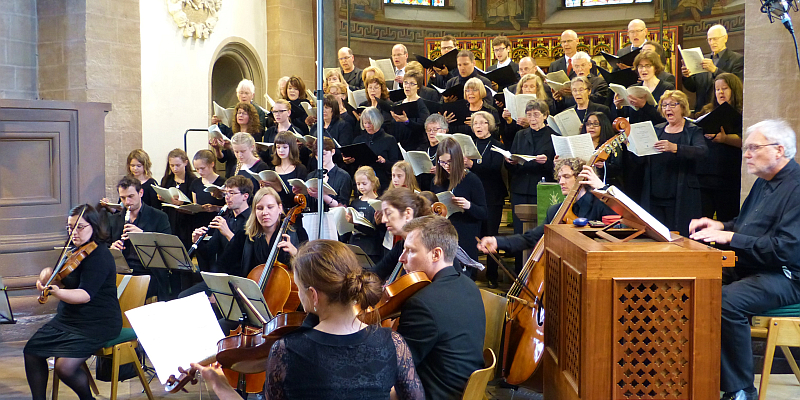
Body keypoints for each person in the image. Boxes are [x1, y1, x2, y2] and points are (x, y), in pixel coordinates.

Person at [195, 240, 424, 400]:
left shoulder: (287, 350)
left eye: (299, 287)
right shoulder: (393, 343)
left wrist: (220, 384)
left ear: (313, 295)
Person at [688, 119, 800, 400]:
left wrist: (732, 239)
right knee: (691, 280)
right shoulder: (764, 183)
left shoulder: (797, 189)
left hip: (786, 276)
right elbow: (746, 224)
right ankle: (689, 373)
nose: (746, 153)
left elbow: (786, 250)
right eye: (746, 148)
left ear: (779, 150)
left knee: (726, 302)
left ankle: (740, 389)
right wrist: (720, 227)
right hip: (753, 266)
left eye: (753, 148)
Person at [24, 204, 121, 400]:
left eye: (79, 227)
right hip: (69, 318)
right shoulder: (73, 251)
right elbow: (62, 280)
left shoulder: (99, 256)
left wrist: (57, 292)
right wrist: (46, 280)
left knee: (64, 367)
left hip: (97, 321)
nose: (73, 232)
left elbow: (85, 294)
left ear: (93, 226)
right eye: (70, 227)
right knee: (32, 351)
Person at [396, 215, 486, 400]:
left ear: (436, 254)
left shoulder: (421, 304)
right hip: (463, 389)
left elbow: (397, 367)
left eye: (410, 251)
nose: (401, 258)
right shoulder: (470, 285)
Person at [479, 158, 613, 254]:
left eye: (566, 176)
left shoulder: (601, 205)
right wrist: (498, 241)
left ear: (582, 178)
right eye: (559, 177)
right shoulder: (556, 210)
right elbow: (531, 238)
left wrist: (603, 188)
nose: (561, 182)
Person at [636, 90, 706, 236]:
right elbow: (643, 159)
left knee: (680, 238)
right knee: (654, 237)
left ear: (682, 107)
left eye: (673, 104)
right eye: (664, 105)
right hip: (654, 195)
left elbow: (702, 152)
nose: (668, 108)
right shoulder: (656, 130)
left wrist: (675, 148)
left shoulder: (693, 130)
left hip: (681, 197)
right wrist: (633, 146)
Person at [179, 176, 253, 299]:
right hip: (220, 278)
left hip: (240, 280)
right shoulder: (225, 219)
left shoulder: (252, 221)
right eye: (226, 193)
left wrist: (228, 234)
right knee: (184, 297)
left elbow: (247, 256)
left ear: (245, 196)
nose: (227, 197)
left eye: (232, 193)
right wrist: (198, 242)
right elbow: (209, 253)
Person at [213, 187, 307, 283]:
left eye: (270, 207)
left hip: (287, 294)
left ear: (279, 208)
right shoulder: (244, 235)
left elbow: (310, 270)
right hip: (251, 294)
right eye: (259, 208)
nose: (265, 213)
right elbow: (223, 266)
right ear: (254, 211)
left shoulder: (298, 233)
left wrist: (296, 253)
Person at [506, 99, 556, 273]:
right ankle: (520, 272)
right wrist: (510, 162)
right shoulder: (521, 135)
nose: (532, 118)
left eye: (536, 114)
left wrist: (547, 162)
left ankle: (537, 274)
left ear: (545, 115)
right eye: (529, 115)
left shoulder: (553, 136)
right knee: (520, 232)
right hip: (520, 187)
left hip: (541, 188)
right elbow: (512, 161)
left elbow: (557, 166)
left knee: (538, 232)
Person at [430, 137, 487, 279]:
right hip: (443, 236)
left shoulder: (471, 180)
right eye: (442, 162)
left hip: (465, 236)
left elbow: (484, 213)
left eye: (449, 162)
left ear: (457, 159)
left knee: (464, 279)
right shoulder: (438, 181)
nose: (446, 166)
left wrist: (468, 205)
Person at [108, 176, 172, 299]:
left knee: (134, 294)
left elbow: (166, 250)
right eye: (123, 198)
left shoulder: (159, 217)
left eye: (131, 196)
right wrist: (112, 248)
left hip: (149, 272)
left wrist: (143, 236)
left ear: (141, 193)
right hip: (122, 270)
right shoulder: (114, 220)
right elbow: (102, 246)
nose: (127, 202)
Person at [695, 73, 744, 222]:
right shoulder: (707, 111)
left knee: (726, 219)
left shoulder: (742, 113)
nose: (720, 92)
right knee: (702, 221)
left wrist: (725, 138)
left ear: (734, 90)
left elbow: (746, 141)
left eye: (725, 88)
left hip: (728, 177)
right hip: (704, 174)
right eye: (717, 89)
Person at [466, 111, 506, 287]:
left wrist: (472, 165)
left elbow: (493, 168)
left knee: (490, 236)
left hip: (492, 197)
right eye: (475, 124)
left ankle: (492, 275)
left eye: (482, 123)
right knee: (472, 236)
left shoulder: (496, 145)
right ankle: (471, 273)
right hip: (472, 197)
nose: (478, 127)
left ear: (489, 125)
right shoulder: (468, 145)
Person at [370, 188, 433, 281]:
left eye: (388, 213)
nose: (383, 220)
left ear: (408, 213)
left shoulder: (427, 247)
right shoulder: (400, 246)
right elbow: (376, 272)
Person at [681, 24, 744, 111]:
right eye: (709, 39)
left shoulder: (737, 59)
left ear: (725, 38)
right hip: (702, 110)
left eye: (715, 39)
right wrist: (686, 76)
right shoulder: (702, 58)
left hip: (725, 109)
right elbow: (693, 87)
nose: (712, 43)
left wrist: (715, 70)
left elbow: (737, 85)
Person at [347, 107, 401, 191]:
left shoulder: (389, 140)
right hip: (362, 184)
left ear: (377, 122)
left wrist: (384, 161)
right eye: (365, 123)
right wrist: (349, 161)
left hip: (382, 183)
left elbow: (396, 164)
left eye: (370, 123)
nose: (367, 126)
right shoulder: (358, 140)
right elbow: (353, 166)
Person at [189, 150, 226, 271]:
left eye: (202, 168)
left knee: (215, 264)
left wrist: (215, 208)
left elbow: (229, 208)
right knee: (202, 263)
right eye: (197, 169)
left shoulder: (223, 182)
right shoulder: (195, 183)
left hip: (215, 227)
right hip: (200, 224)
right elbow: (195, 204)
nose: (200, 172)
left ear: (212, 164)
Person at [613, 51, 675, 125]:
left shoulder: (667, 88)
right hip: (635, 133)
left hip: (658, 132)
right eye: (640, 66)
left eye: (648, 66)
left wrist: (644, 106)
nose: (643, 70)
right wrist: (619, 107)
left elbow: (666, 117)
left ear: (655, 68)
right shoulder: (632, 88)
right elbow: (625, 117)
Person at [211, 101, 264, 177]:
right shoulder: (231, 133)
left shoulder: (256, 133)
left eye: (244, 113)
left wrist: (230, 147)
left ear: (251, 117)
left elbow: (253, 153)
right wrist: (217, 148)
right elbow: (222, 158)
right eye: (239, 113)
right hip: (232, 171)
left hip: (249, 171)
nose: (240, 115)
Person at [159, 148, 197, 251]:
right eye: (172, 165)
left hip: (185, 221)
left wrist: (182, 203)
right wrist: (162, 197)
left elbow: (195, 204)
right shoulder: (167, 179)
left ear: (185, 163)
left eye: (178, 165)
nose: (175, 169)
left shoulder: (192, 180)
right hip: (170, 217)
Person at [299, 137, 351, 210]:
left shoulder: (343, 176)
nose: (320, 158)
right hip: (314, 217)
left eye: (324, 154)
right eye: (317, 155)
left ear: (333, 151)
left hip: (334, 218)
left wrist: (323, 196)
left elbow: (343, 207)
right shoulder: (311, 176)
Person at [502, 74, 553, 145]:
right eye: (525, 86)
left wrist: (530, 123)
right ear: (521, 88)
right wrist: (509, 121)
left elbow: (549, 126)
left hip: (540, 140)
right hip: (520, 141)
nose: (528, 89)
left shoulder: (546, 104)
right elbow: (509, 136)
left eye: (532, 87)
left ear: (537, 88)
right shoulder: (515, 102)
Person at [348, 166, 386, 264]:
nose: (361, 187)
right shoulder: (355, 203)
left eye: (364, 184)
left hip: (372, 249)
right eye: (358, 184)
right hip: (355, 246)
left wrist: (379, 224)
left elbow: (379, 232)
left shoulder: (379, 202)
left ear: (373, 183)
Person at [581, 111, 624, 188]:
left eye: (596, 124)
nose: (591, 127)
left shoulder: (612, 144)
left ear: (603, 126)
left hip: (606, 185)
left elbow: (618, 168)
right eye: (588, 124)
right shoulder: (581, 143)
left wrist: (604, 166)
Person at [391, 71, 431, 150]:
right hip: (399, 147)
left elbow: (422, 127)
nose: (407, 86)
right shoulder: (398, 104)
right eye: (405, 82)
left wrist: (407, 121)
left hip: (416, 147)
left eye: (412, 83)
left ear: (418, 86)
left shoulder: (422, 104)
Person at [417, 114, 447, 191]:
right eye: (429, 130)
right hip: (423, 188)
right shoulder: (422, 149)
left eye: (435, 130)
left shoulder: (448, 149)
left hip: (441, 187)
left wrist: (440, 171)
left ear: (444, 131)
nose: (431, 133)